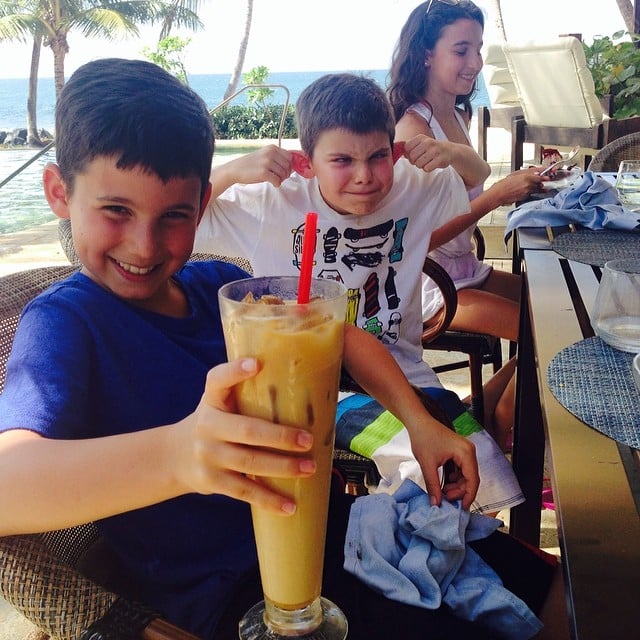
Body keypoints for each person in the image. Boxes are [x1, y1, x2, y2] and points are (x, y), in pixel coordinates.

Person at [0, 59, 570, 640]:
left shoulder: (217, 289)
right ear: (58, 194)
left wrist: (418, 422)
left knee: (552, 590)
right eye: (116, 210)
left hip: (336, 532)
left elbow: (340, 334)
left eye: (174, 215)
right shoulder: (67, 323)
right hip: (244, 595)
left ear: (201, 208)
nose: (145, 245)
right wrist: (182, 455)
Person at [195, 72, 524, 514]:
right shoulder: (273, 203)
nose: (365, 176)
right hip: (313, 381)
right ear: (306, 163)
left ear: (396, 151)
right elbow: (185, 221)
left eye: (377, 156)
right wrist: (232, 171)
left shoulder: (413, 187)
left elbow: (478, 175)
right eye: (343, 160)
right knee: (430, 475)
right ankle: (391, 549)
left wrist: (450, 154)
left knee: (481, 470)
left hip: (403, 371)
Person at [387, 0, 552, 450]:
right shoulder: (408, 133)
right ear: (426, 54)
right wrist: (497, 197)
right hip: (430, 288)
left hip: (463, 271)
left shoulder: (457, 115)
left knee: (564, 310)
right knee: (553, 338)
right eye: (461, 50)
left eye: (478, 49)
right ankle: (504, 418)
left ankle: (487, 414)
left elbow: (472, 177)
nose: (475, 63)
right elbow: (406, 246)